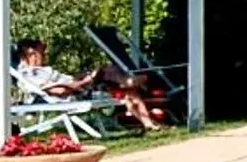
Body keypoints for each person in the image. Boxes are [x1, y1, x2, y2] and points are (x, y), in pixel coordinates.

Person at [14, 39, 169, 132]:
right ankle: (140, 81)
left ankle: (148, 122)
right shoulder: (30, 74)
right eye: (41, 53)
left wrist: (82, 77)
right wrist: (84, 82)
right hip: (76, 95)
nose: (43, 56)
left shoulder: (42, 70)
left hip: (80, 88)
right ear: (29, 55)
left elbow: (66, 81)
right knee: (118, 80)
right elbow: (60, 91)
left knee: (125, 88)